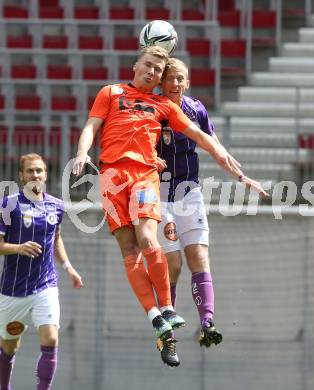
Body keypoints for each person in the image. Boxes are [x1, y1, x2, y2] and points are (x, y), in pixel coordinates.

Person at [72, 46, 267, 367]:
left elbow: (201, 137)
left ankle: (168, 309)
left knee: (149, 240)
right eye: (148, 66)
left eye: (157, 71)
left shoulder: (163, 105)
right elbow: (92, 126)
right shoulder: (111, 92)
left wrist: (240, 174)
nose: (152, 72)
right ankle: (156, 316)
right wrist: (82, 152)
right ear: (136, 65)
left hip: (146, 176)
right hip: (111, 178)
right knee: (129, 249)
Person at [156, 58, 238, 347]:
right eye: (171, 78)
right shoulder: (152, 110)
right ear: (161, 82)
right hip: (159, 195)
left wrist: (237, 171)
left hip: (189, 193)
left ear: (187, 83)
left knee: (199, 257)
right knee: (174, 264)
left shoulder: (197, 109)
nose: (176, 83)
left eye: (181, 79)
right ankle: (167, 325)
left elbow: (212, 142)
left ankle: (207, 322)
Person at [0, 153, 83, 390]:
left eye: (39, 170)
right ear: (21, 176)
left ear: (45, 175)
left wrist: (68, 268)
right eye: (30, 171)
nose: (35, 175)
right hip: (12, 291)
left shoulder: (56, 206)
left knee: (51, 338)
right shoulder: (8, 205)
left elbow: (56, 240)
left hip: (45, 286)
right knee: (9, 347)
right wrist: (18, 248)